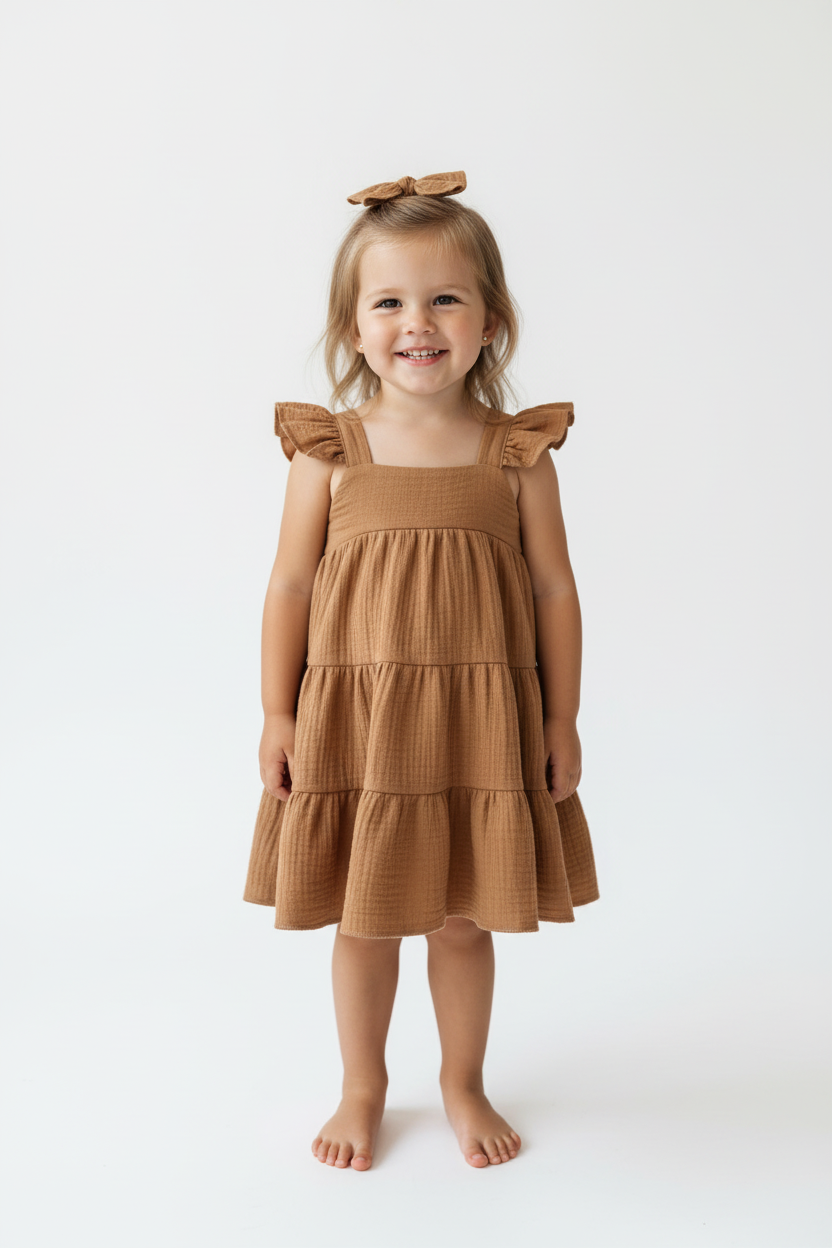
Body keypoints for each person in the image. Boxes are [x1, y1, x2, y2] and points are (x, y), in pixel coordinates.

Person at [243, 170, 600, 1172]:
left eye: (446, 297)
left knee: (456, 917)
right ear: (352, 328)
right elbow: (289, 589)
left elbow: (553, 593)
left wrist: (560, 719)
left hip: (476, 721)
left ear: (491, 321)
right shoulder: (330, 452)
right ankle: (364, 1084)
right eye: (389, 302)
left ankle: (462, 1079)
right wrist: (277, 713)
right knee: (364, 919)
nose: (418, 322)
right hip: (360, 720)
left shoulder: (516, 453)